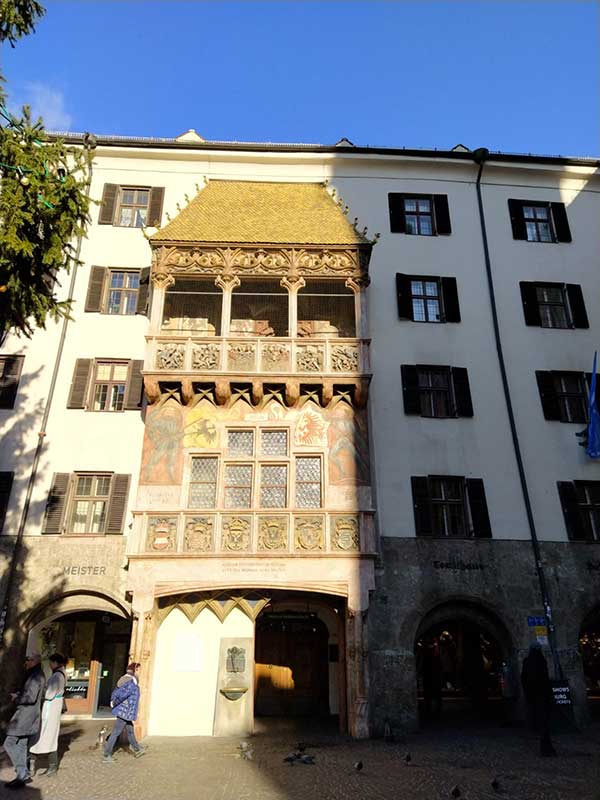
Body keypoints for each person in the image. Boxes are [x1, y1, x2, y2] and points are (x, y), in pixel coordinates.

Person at [3, 652, 46, 789]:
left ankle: (22, 772)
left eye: (28, 660)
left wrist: (17, 697)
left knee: (9, 743)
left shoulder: (35, 676)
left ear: (34, 661)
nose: (26, 662)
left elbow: (30, 697)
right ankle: (22, 776)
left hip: (25, 716)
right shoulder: (36, 674)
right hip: (29, 716)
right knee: (21, 744)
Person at [29, 653, 67, 777]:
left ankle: (47, 765)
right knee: (51, 737)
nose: (50, 665)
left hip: (50, 709)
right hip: (54, 708)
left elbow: (49, 694)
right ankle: (51, 765)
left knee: (44, 735)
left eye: (51, 663)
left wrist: (42, 691)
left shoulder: (56, 676)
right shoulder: (62, 674)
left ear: (56, 663)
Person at [103, 662, 145, 763]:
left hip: (127, 712)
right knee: (116, 732)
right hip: (124, 711)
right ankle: (106, 755)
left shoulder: (130, 680)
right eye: (139, 670)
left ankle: (137, 749)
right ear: (134, 670)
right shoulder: (130, 682)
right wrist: (115, 703)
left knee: (130, 730)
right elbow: (122, 695)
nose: (140, 672)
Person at [521, 642, 557, 757]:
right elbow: (545, 679)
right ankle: (546, 748)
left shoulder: (527, 662)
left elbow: (524, 678)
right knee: (544, 721)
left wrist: (528, 693)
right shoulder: (542, 661)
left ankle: (543, 742)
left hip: (534, 695)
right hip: (543, 695)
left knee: (538, 718)